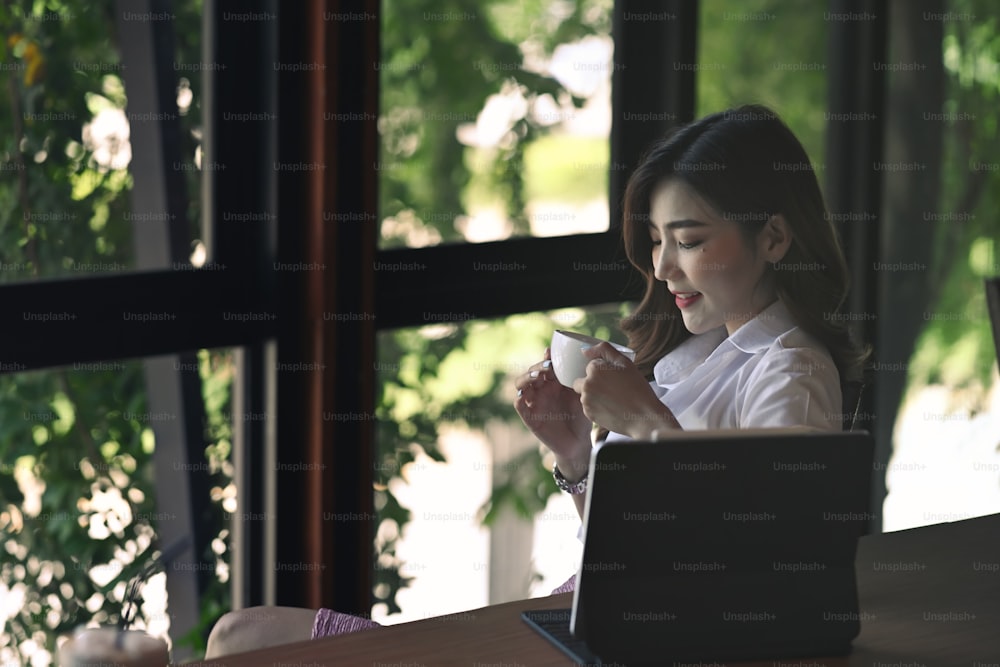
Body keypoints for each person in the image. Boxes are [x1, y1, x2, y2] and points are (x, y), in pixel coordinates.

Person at [204, 104, 866, 657]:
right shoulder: (703, 355)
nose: (663, 267)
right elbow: (641, 545)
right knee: (241, 634)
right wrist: (577, 455)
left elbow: (773, 576)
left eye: (688, 239)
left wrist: (644, 422)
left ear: (774, 238)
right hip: (581, 623)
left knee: (246, 638)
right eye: (657, 240)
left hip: (620, 643)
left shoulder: (791, 369)